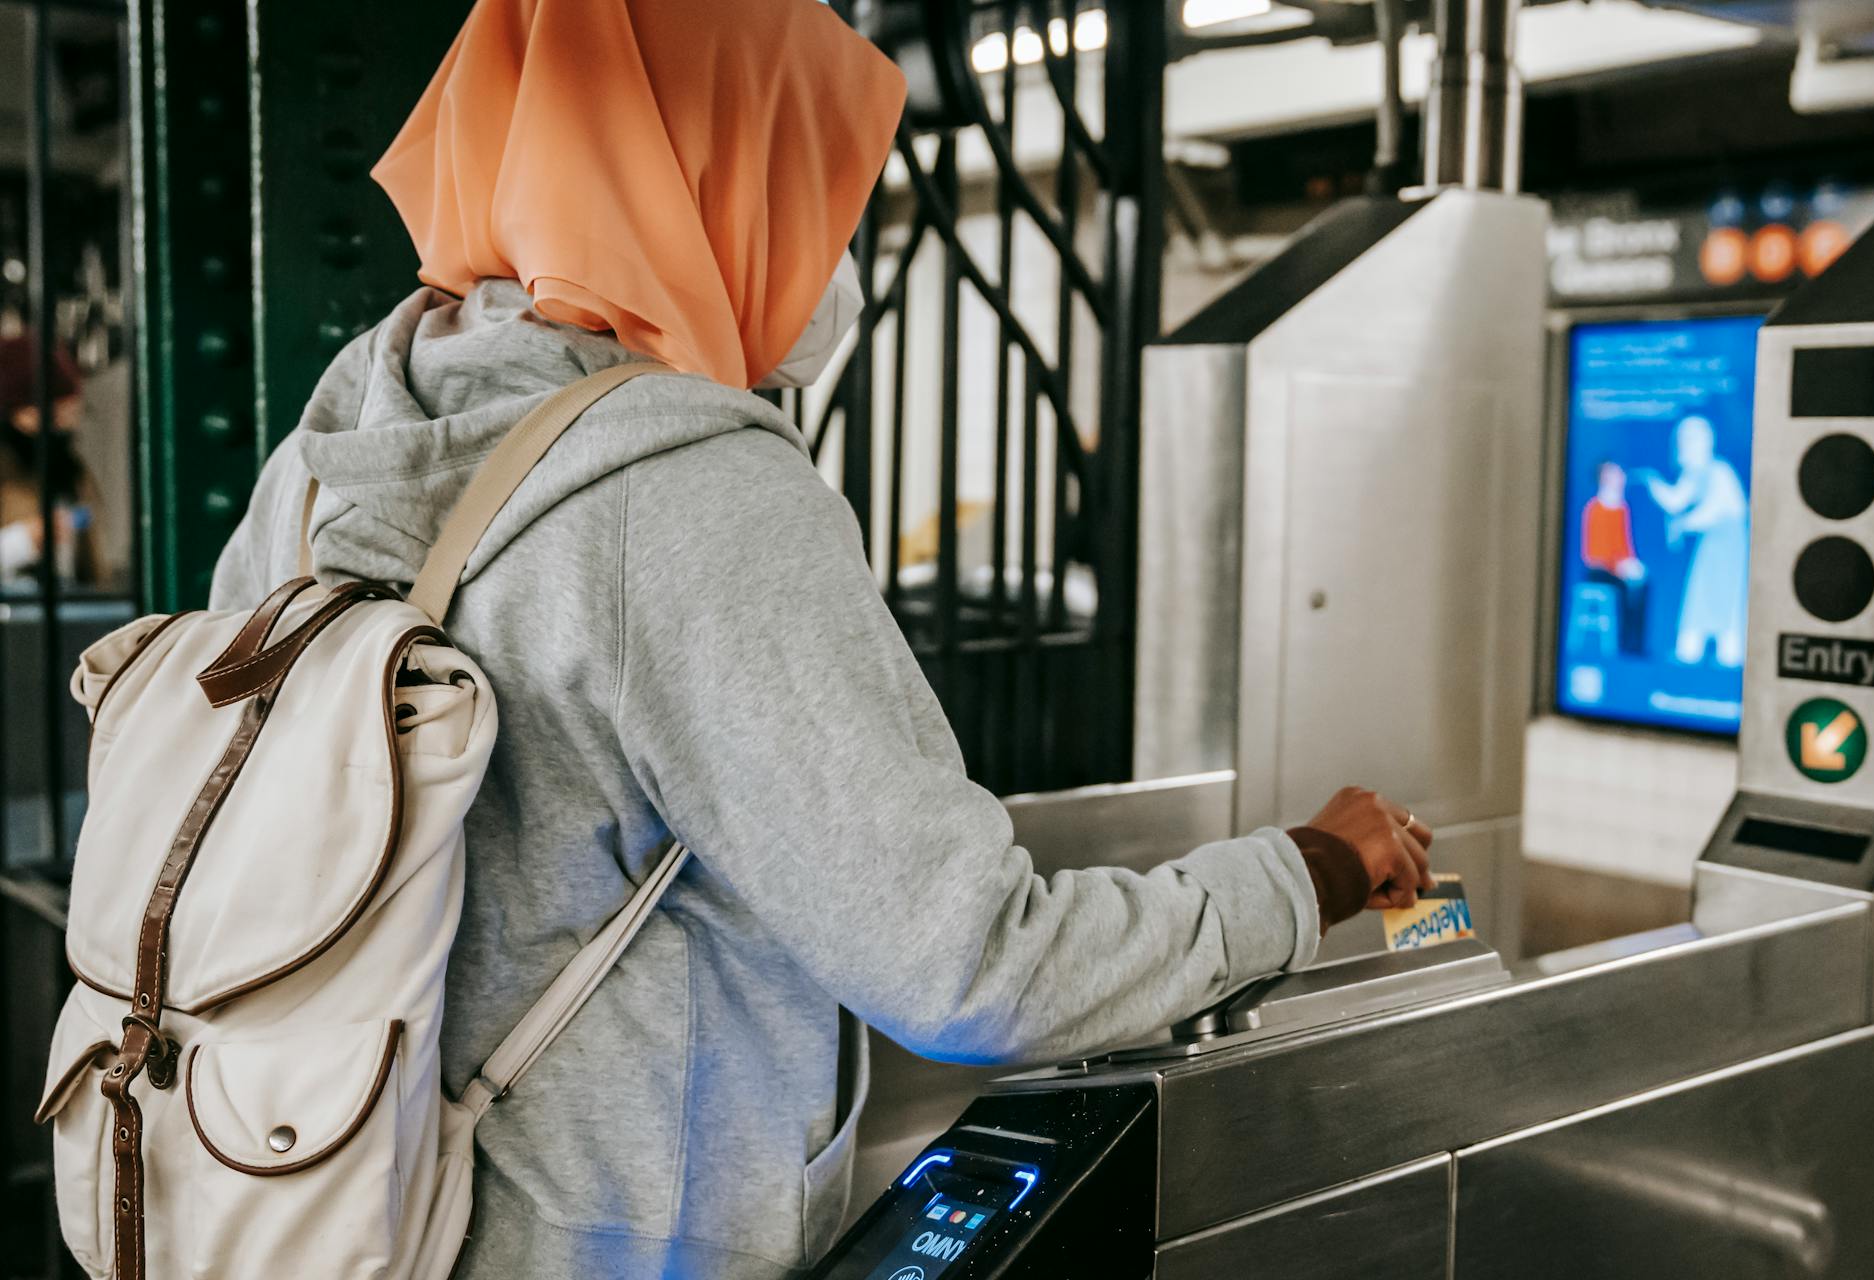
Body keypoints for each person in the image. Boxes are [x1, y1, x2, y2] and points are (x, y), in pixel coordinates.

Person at [211, 3, 1433, 1276]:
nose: (831, 257)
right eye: (818, 195)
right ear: (718, 179)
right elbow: (972, 966)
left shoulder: (325, 457)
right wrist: (1305, 875)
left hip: (317, 1197)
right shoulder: (685, 489)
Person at [1643, 415, 1749, 667]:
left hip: (1730, 544)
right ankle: (1689, 651)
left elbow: (1716, 510)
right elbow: (1675, 500)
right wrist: (1652, 482)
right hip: (1710, 544)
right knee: (1699, 596)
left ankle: (1730, 653)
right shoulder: (1694, 473)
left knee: (1727, 599)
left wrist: (1684, 524)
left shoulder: (1720, 471)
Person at [0, 334, 104, 587]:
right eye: (52, 415)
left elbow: (92, 564)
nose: (66, 425)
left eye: (70, 413)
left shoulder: (71, 469)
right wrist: (20, 541)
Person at [1578, 460, 1647, 656]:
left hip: (1618, 566)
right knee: (1625, 588)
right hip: (1599, 569)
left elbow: (1624, 544)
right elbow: (1596, 553)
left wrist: (1631, 564)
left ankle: (1634, 643)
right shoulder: (1595, 508)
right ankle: (1623, 643)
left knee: (1641, 584)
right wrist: (1619, 567)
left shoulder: (1621, 508)